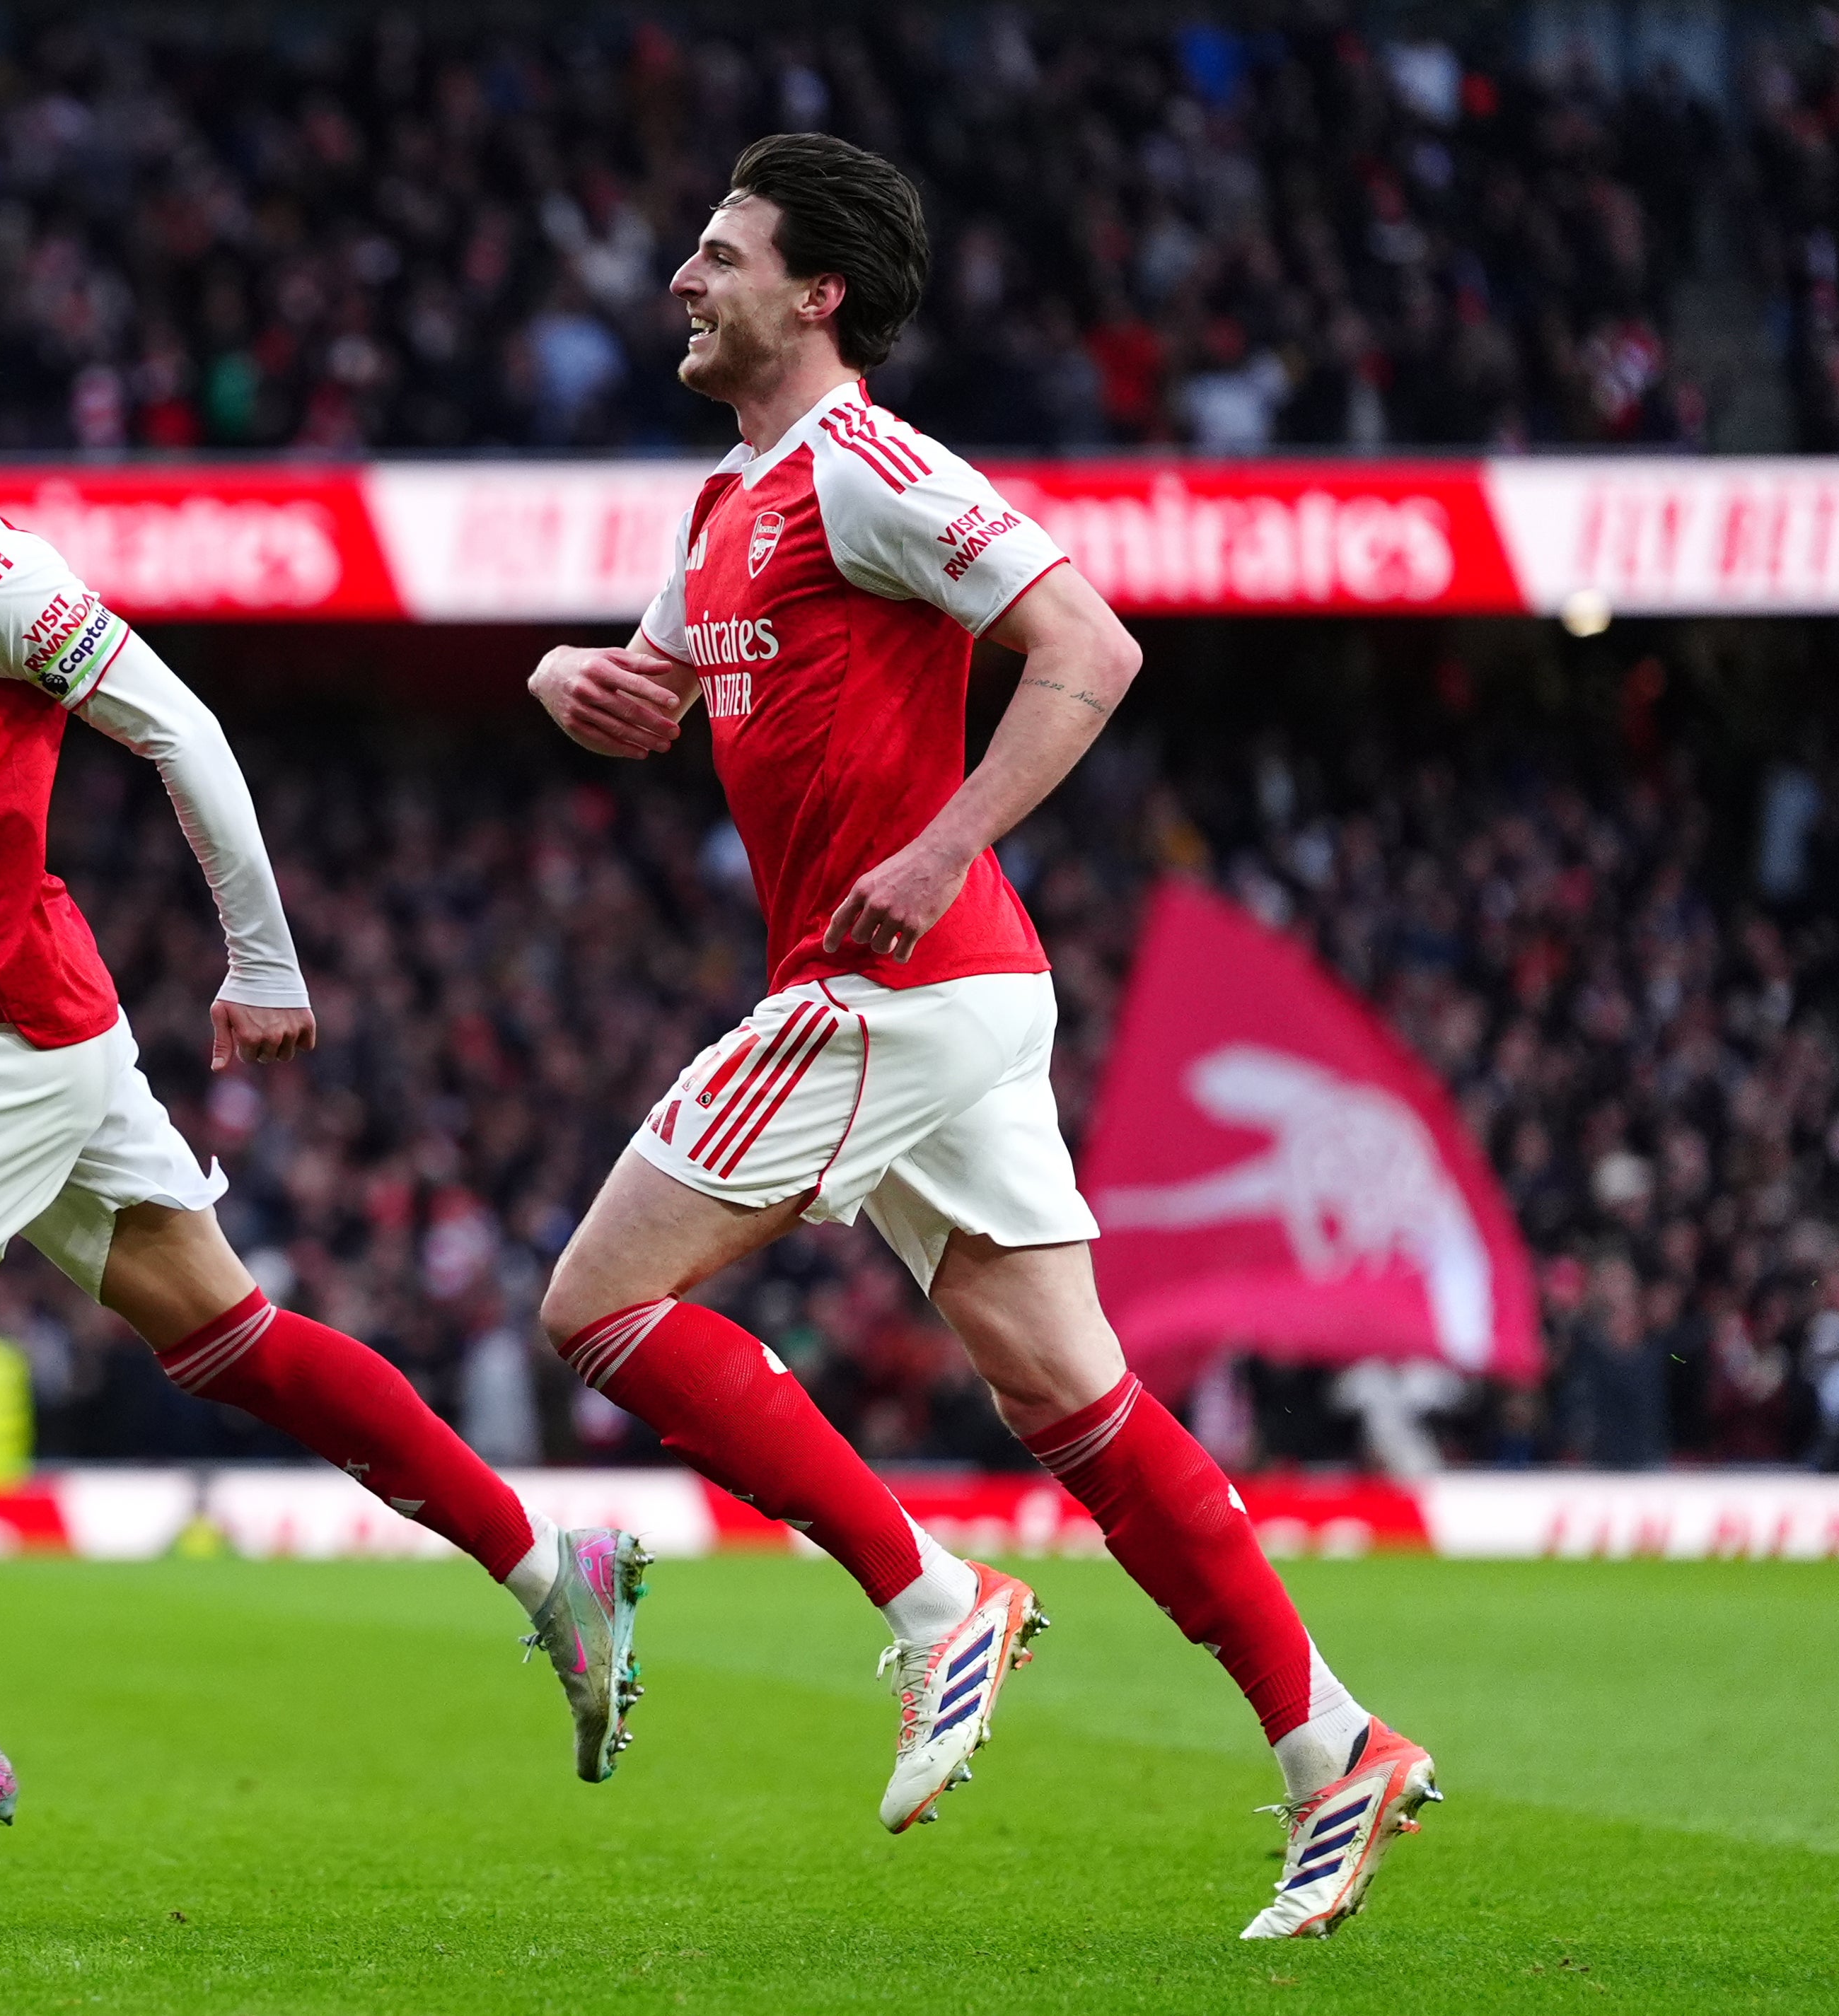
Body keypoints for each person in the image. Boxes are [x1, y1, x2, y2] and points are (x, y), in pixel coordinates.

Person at [0, 232, 646, 1905]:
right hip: (42, 1026)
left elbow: (182, 723)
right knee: (232, 1342)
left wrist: (262, 958)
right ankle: (555, 1571)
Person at [521, 134, 1438, 1942]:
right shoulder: (723, 506)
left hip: (896, 980)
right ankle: (1332, 1742)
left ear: (817, 292)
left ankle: (936, 1599)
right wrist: (569, 687)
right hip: (946, 992)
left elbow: (1089, 647)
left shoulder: (866, 468)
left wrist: (939, 841)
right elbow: (650, 709)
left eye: (721, 255)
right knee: (1070, 1401)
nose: (682, 281)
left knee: (599, 1304)